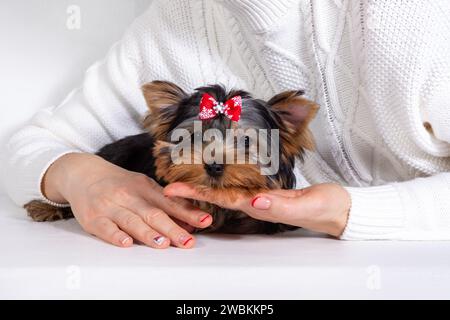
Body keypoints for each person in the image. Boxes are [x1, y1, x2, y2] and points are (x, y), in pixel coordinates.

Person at [4, 0, 450, 248]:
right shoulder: (166, 24)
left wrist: (350, 213)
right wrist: (76, 175)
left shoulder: (408, 17)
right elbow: (31, 147)